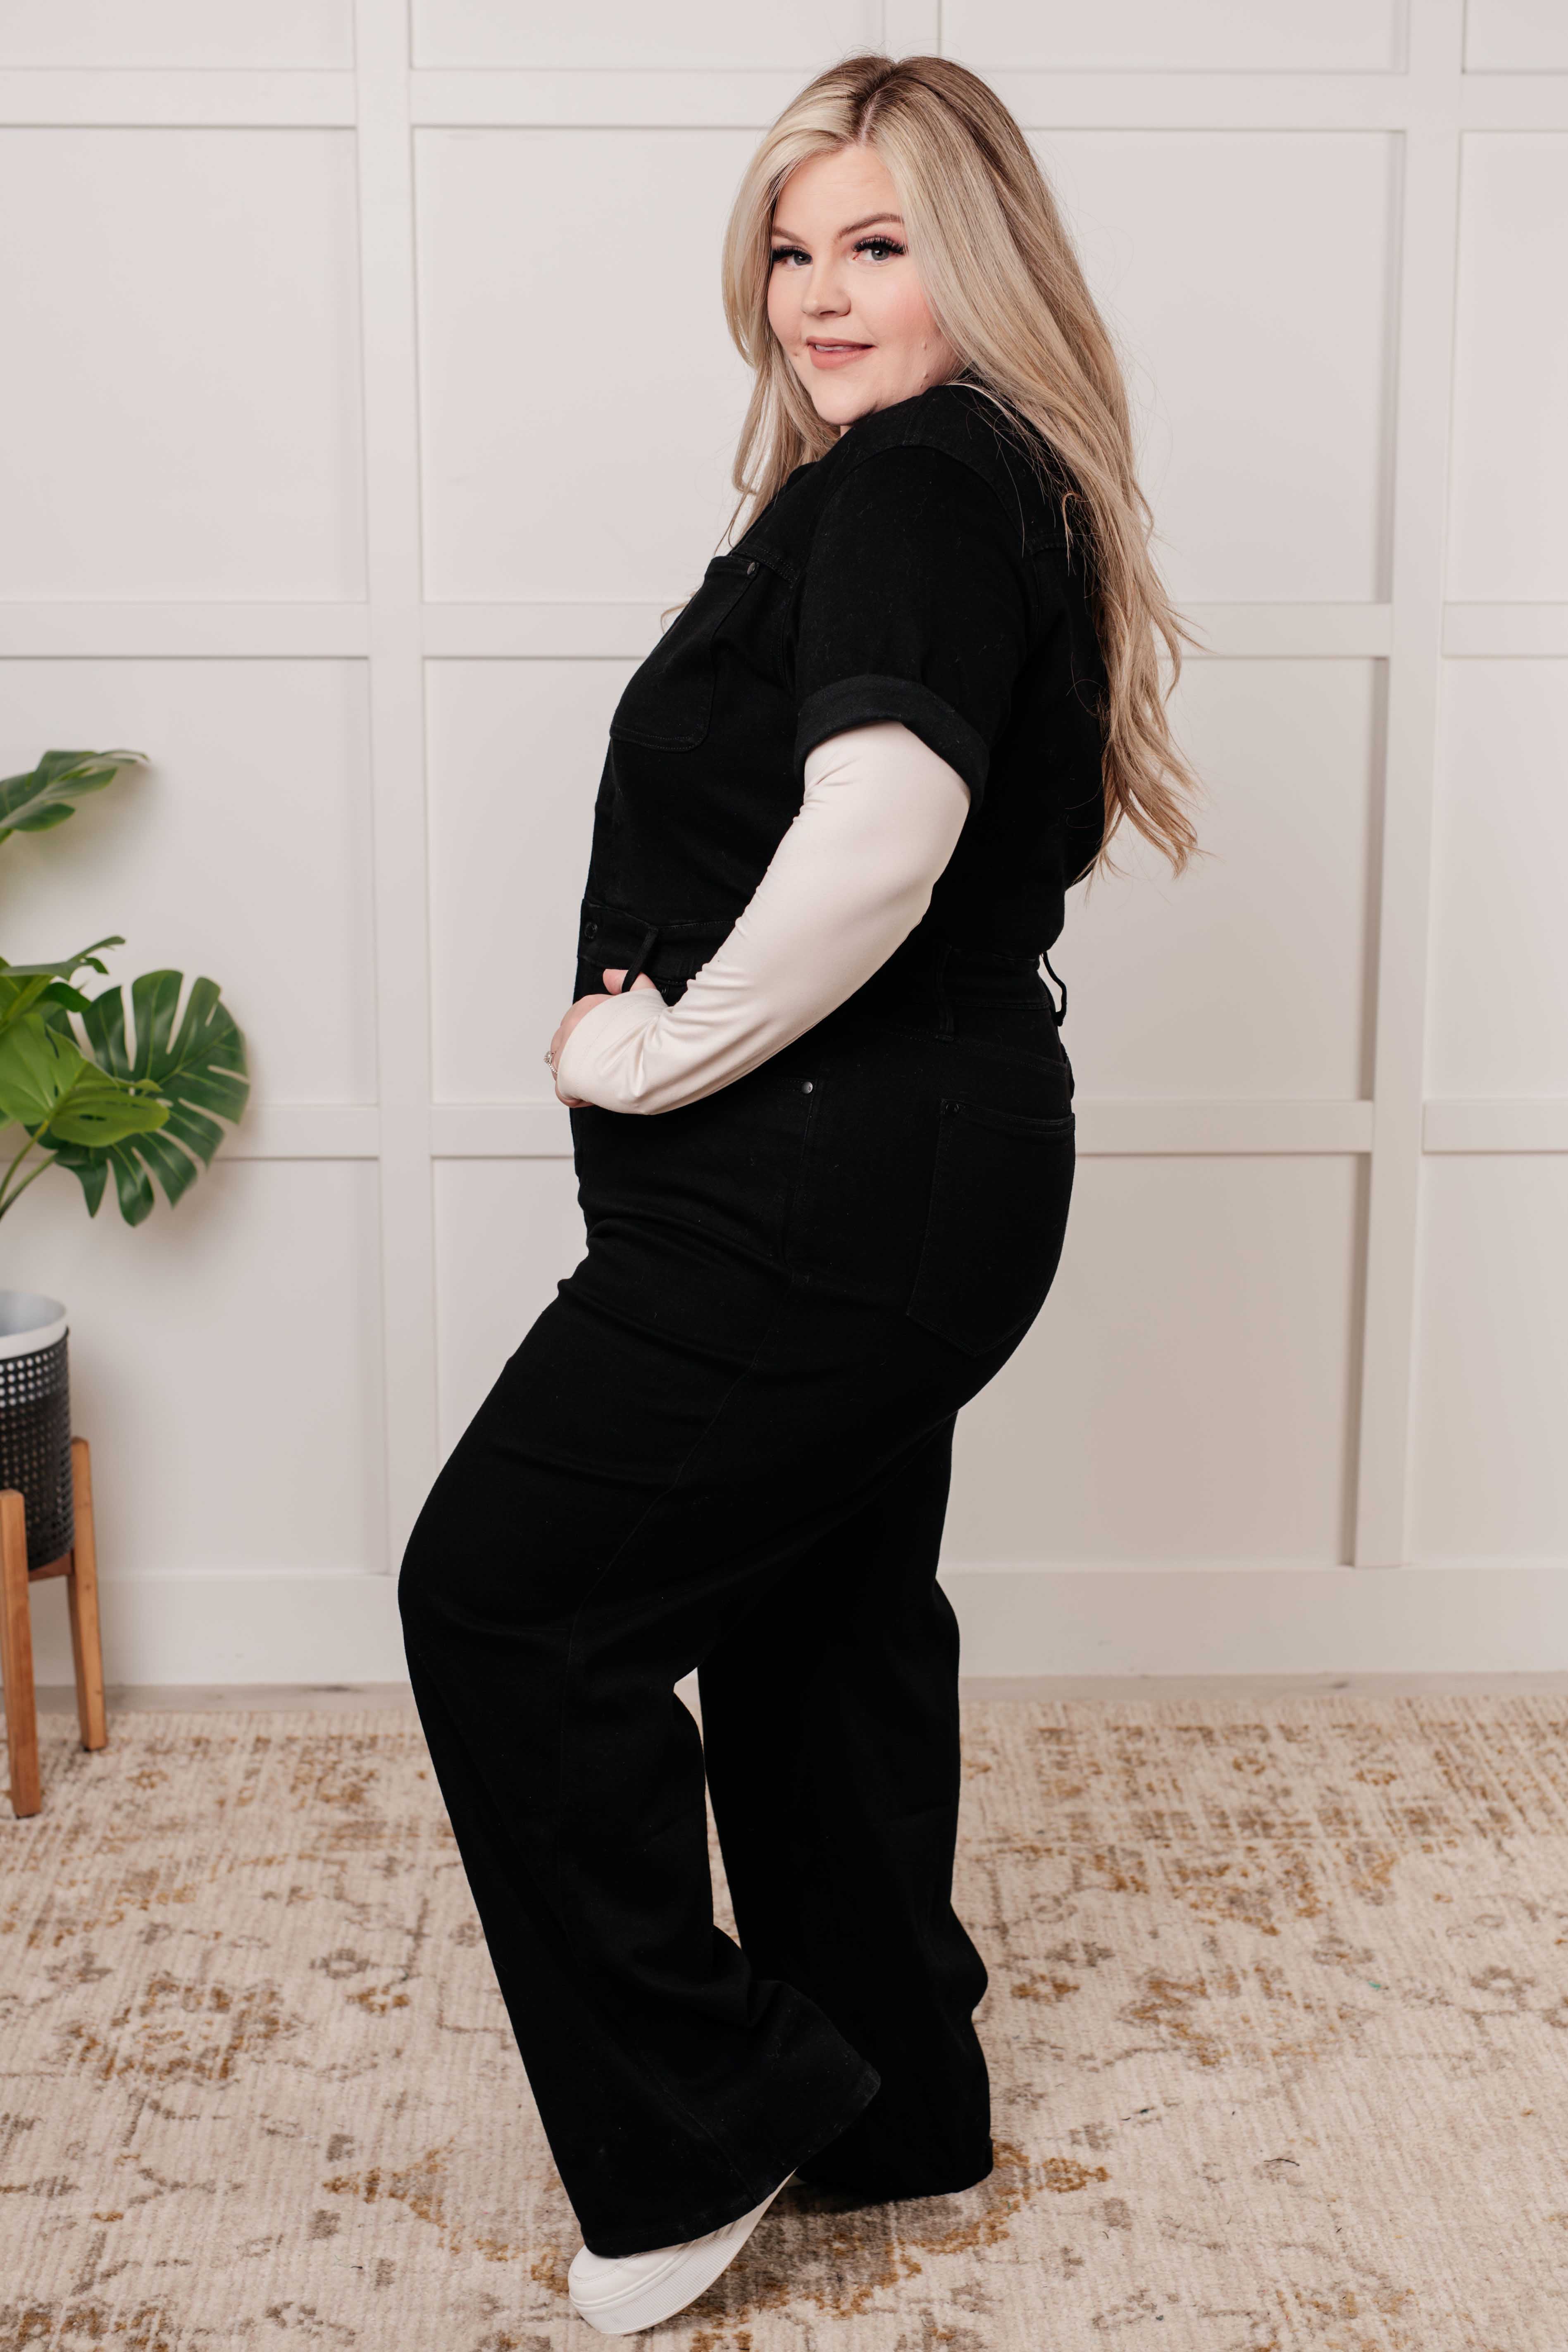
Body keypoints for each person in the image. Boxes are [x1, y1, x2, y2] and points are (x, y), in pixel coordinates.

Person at [397, 49, 1203, 2339]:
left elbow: (879, 829)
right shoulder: (964, 474)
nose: (820, 294)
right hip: (917, 1174)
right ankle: (888, 2106)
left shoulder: (920, 481)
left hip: (830, 1187)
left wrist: (655, 1053)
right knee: (814, 1629)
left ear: (984, 264)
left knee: (502, 1603)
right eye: (789, 247)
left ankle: (699, 2117)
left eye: (878, 244)